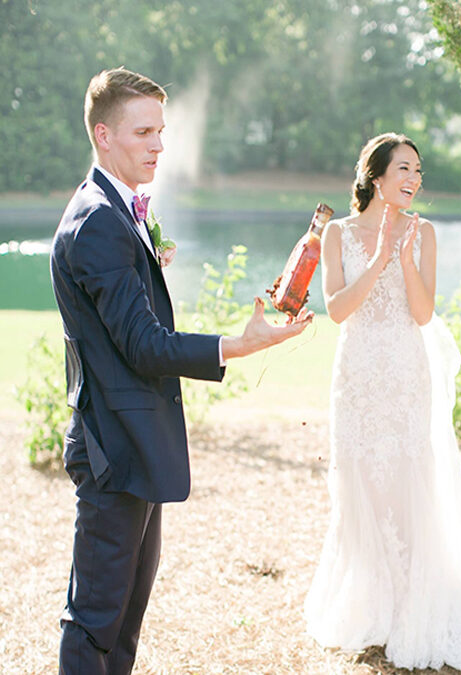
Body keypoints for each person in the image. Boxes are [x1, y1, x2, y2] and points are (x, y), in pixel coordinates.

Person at [50, 67, 313, 675]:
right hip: (111, 444)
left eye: (162, 132)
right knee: (94, 621)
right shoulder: (97, 222)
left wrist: (149, 259)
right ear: (104, 135)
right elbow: (143, 346)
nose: (159, 146)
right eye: (143, 132)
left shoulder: (118, 213)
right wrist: (237, 345)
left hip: (132, 439)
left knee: (124, 621)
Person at [304, 132, 461, 670]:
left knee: (408, 478)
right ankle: (373, 604)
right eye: (403, 169)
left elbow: (424, 313)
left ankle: (414, 604)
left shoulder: (424, 232)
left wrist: (403, 259)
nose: (413, 180)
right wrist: (380, 255)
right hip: (357, 374)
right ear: (376, 176)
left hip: (407, 372)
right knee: (361, 478)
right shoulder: (337, 234)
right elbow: (337, 311)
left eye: (418, 172)